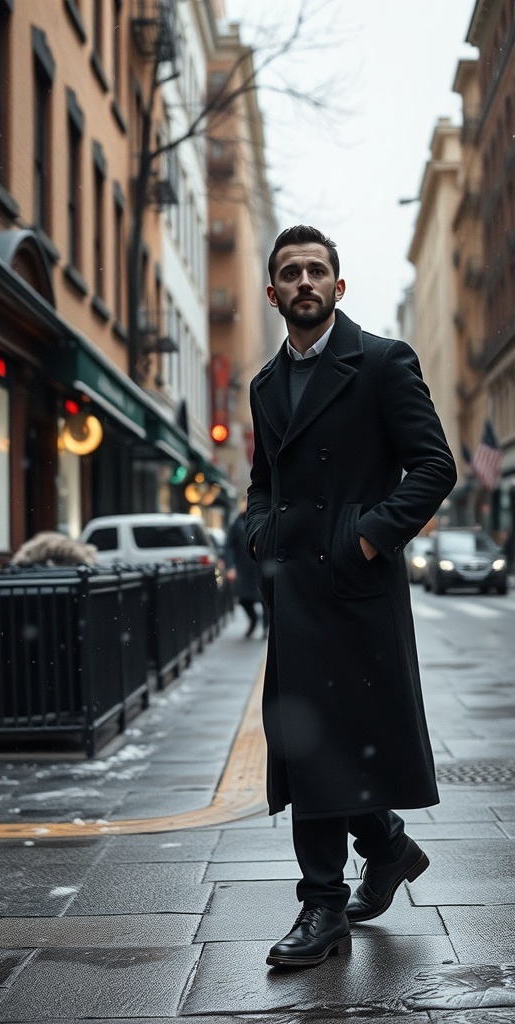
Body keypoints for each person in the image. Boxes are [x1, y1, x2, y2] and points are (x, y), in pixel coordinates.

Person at [245, 225, 457, 969]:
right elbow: (263, 479)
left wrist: (367, 536)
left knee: (331, 739)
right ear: (273, 293)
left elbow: (435, 466)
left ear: (339, 285)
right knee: (308, 739)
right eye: (290, 273)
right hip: (294, 584)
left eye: (317, 270)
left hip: (355, 586)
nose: (304, 281)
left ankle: (323, 904)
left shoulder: (381, 362)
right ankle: (379, 856)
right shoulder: (265, 386)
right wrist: (258, 529)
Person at [225, 497, 268, 638]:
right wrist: (230, 566)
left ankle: (266, 627)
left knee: (266, 598)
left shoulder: (267, 517)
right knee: (243, 598)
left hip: (263, 567)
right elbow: (229, 545)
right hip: (243, 568)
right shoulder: (238, 521)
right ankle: (254, 619)